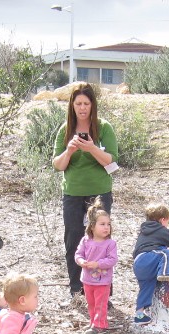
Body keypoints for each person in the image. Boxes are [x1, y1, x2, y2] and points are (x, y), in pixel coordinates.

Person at [52, 82, 119, 298]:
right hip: (72, 193)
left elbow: (112, 162)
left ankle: (102, 292)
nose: (82, 108)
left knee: (100, 240)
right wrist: (70, 151)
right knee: (73, 239)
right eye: (78, 103)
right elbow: (58, 165)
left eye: (86, 103)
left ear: (93, 105)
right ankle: (77, 291)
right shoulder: (65, 130)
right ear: (72, 105)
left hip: (99, 192)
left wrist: (91, 148)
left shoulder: (104, 128)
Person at [132, 203, 169, 326]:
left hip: (139, 263)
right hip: (148, 257)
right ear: (162, 220)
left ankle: (139, 314)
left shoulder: (144, 231)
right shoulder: (159, 229)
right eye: (168, 221)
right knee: (165, 253)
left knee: (146, 288)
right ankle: (166, 272)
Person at [74, 198, 118, 334]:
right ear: (92, 226)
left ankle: (100, 325)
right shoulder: (85, 240)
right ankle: (93, 322)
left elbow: (112, 260)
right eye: (102, 224)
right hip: (87, 279)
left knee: (100, 303)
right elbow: (78, 254)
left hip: (103, 281)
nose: (106, 227)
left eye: (108, 224)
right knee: (91, 303)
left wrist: (97, 264)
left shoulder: (110, 243)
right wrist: (81, 261)